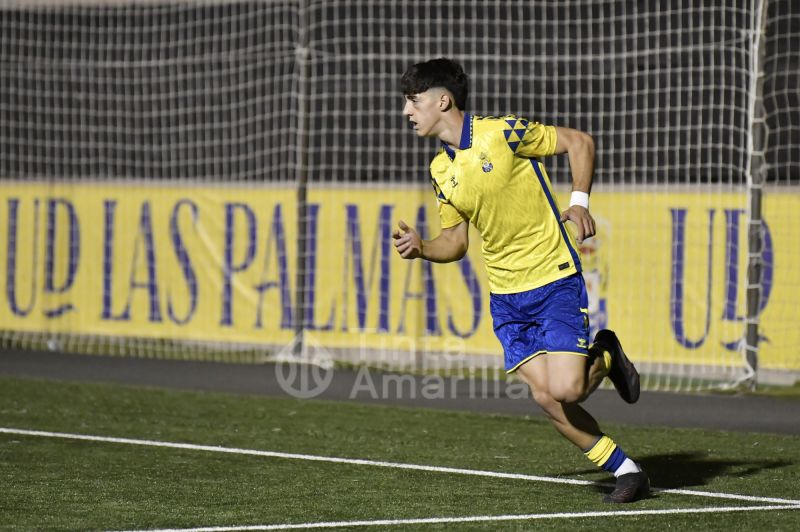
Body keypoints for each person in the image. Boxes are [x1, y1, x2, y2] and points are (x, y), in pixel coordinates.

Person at [393, 58, 649, 503]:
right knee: (548, 399)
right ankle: (626, 470)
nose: (406, 112)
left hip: (552, 278)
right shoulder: (440, 171)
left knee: (567, 387)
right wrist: (422, 248)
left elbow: (579, 142)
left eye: (413, 102)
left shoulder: (503, 132)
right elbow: (455, 242)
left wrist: (580, 202)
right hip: (506, 298)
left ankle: (605, 354)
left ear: (442, 100)